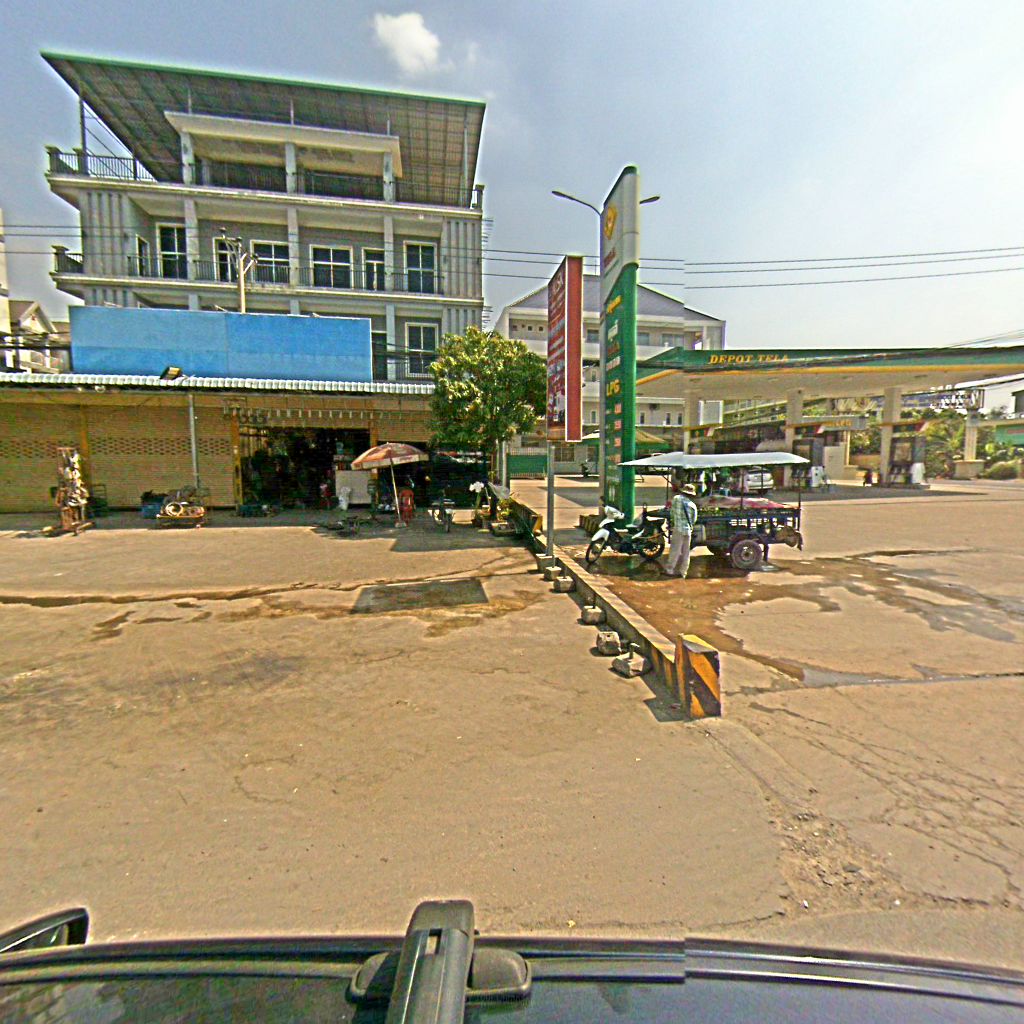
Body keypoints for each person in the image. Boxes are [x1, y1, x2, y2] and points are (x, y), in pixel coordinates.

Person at [663, 479, 698, 578]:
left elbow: (672, 513)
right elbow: (694, 519)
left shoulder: (676, 499)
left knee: (675, 550)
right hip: (688, 530)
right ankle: (683, 572)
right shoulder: (693, 505)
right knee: (686, 552)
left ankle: (669, 570)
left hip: (678, 528)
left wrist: (672, 523)